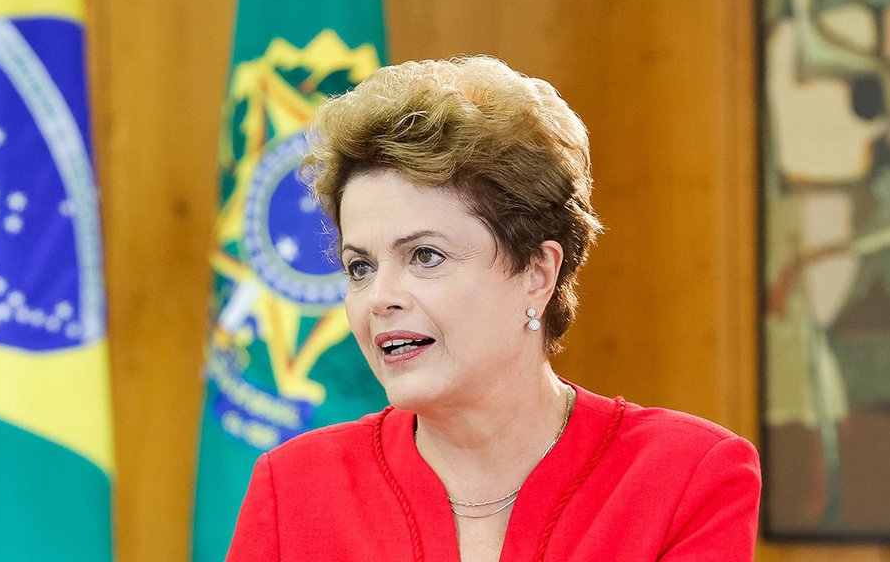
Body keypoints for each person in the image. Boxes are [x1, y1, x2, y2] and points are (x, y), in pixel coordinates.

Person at [226, 56, 761, 561]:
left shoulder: (687, 478)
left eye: (425, 256)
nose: (380, 297)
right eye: (360, 267)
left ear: (537, 274)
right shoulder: (293, 489)